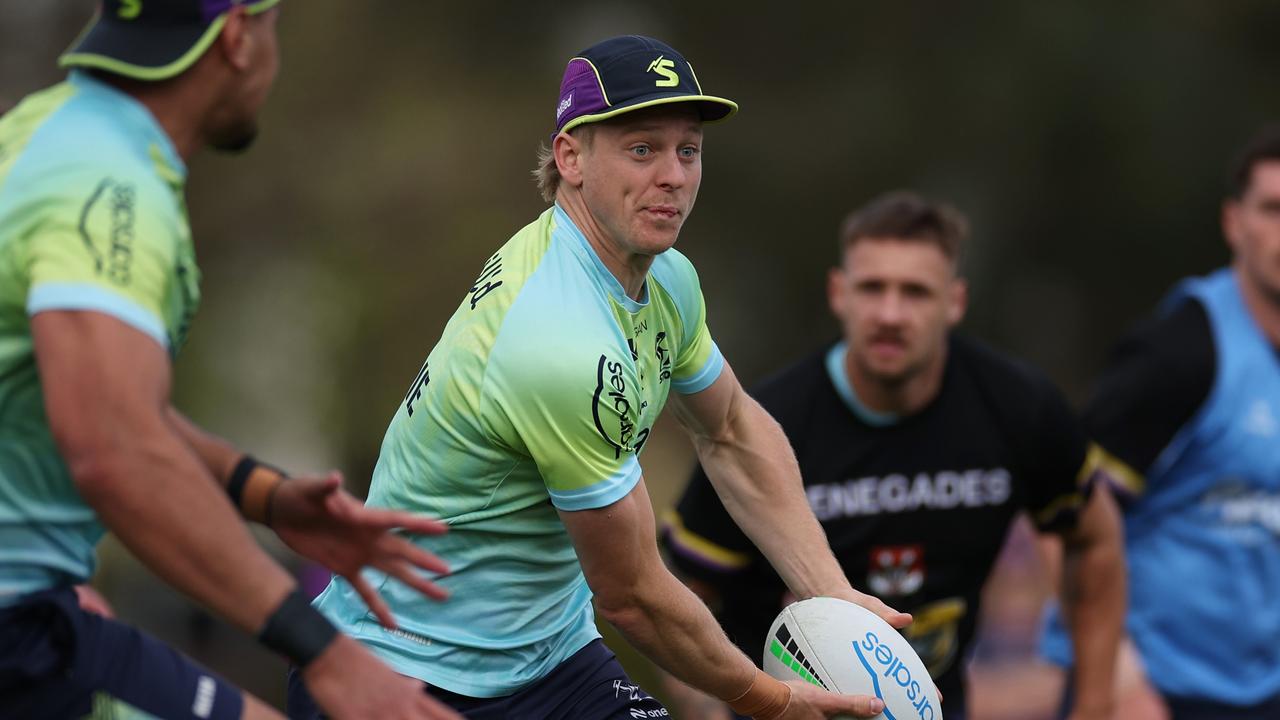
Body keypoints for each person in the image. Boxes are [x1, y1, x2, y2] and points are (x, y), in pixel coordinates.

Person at [289, 34, 907, 720]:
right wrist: (771, 701)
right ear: (570, 157)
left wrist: (832, 595)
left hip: (549, 656)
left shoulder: (666, 278)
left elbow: (730, 431)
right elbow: (632, 594)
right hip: (398, 670)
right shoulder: (557, 339)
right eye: (643, 149)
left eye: (688, 150)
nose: (673, 175)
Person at [0, 2, 463, 718]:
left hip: (40, 611)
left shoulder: (45, 130)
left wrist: (265, 496)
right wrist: (330, 657)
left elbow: (103, 403)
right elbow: (112, 447)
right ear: (238, 37)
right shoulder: (108, 185)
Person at [660, 191, 1126, 720]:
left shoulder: (1018, 407)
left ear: (956, 301)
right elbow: (681, 601)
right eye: (872, 288)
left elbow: (1095, 539)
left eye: (916, 292)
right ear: (839, 293)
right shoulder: (762, 428)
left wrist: (1093, 706)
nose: (890, 313)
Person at [1040, 125, 1280, 720]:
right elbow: (1061, 515)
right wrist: (1119, 680)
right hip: (1150, 689)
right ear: (1234, 223)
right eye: (1274, 209)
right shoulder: (1183, 353)